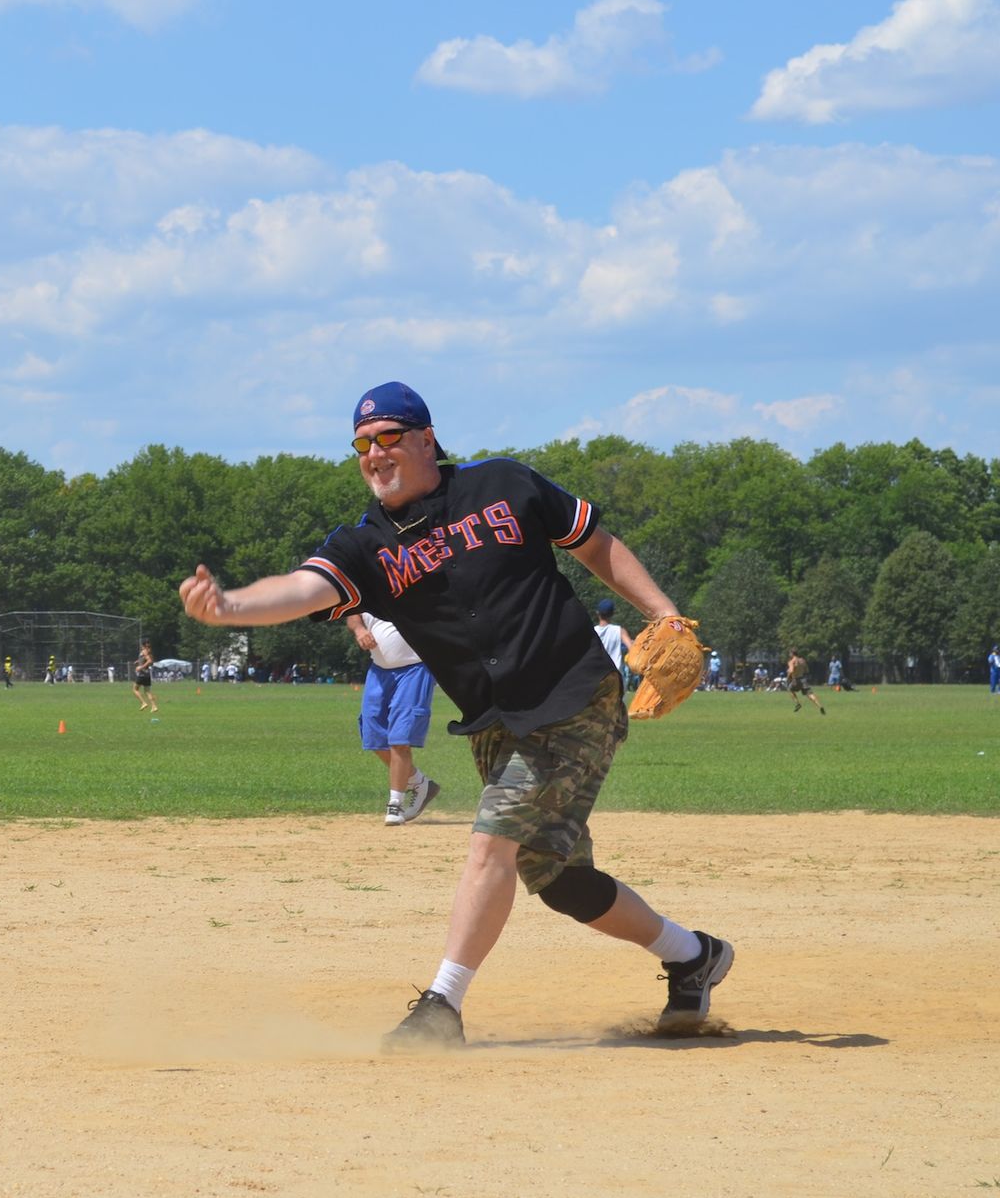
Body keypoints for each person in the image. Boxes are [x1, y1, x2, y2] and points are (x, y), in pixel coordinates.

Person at [179, 380, 731, 1047]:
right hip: (496, 720)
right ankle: (691, 954)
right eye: (362, 443)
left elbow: (594, 543)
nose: (374, 453)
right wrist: (230, 606)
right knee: (560, 880)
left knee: (490, 840)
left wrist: (663, 612)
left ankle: (442, 1004)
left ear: (426, 439)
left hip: (574, 693)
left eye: (388, 437)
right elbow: (302, 586)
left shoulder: (503, 484)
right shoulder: (366, 545)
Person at [344, 612, 441, 825]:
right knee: (373, 736)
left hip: (415, 668)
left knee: (400, 738)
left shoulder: (414, 581)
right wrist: (359, 629)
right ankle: (419, 782)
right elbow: (353, 613)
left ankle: (395, 804)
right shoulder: (367, 584)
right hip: (379, 671)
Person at [594, 598, 634, 690]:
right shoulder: (619, 630)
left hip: (597, 675)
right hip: (615, 675)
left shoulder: (593, 631)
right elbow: (632, 649)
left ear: (597, 613)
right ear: (612, 614)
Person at [132, 639, 159, 716]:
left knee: (135, 689)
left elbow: (149, 661)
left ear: (142, 645)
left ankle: (143, 703)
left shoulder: (144, 651)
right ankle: (154, 706)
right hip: (147, 674)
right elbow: (147, 659)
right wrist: (138, 661)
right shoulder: (148, 651)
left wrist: (140, 667)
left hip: (142, 674)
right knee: (147, 691)